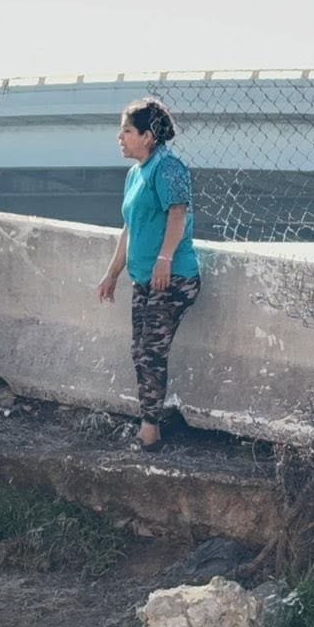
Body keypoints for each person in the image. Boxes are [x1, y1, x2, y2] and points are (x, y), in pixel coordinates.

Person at [96, 98, 201, 452]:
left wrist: (165, 258)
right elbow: (129, 227)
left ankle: (150, 431)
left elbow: (178, 214)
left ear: (149, 136)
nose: (120, 138)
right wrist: (112, 273)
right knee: (140, 351)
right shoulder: (134, 174)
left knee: (150, 354)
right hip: (144, 279)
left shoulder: (168, 167)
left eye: (127, 131)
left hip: (173, 278)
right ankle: (151, 423)